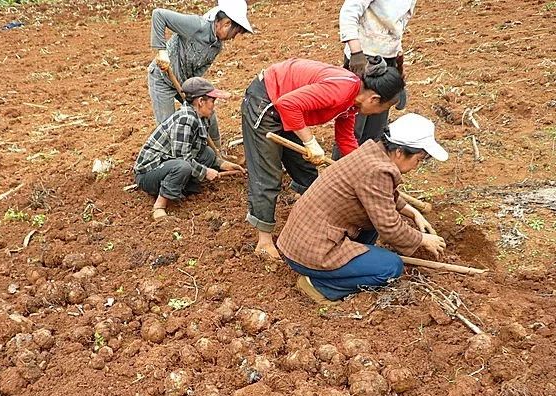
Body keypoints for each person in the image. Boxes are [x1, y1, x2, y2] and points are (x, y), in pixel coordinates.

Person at [241, 57, 404, 260]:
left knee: (306, 170)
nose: (379, 113)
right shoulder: (342, 89)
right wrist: (309, 142)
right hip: (266, 102)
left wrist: (364, 168)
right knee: (267, 175)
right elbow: (287, 104)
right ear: (373, 99)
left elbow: (345, 140)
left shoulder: (352, 102)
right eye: (382, 109)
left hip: (288, 108)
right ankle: (264, 242)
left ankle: (306, 218)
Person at [276, 113, 448, 304]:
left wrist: (413, 212)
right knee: (391, 267)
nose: (418, 165)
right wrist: (422, 239)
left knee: (375, 222)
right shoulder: (378, 171)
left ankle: (354, 262)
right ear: (399, 151)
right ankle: (318, 285)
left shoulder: (371, 153)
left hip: (301, 240)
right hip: (311, 252)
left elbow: (381, 197)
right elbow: (390, 227)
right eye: (419, 158)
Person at [134, 78, 245, 221]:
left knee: (208, 154)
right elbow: (182, 158)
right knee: (183, 167)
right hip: (148, 173)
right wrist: (205, 171)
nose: (214, 106)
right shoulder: (186, 120)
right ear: (200, 102)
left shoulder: (200, 117)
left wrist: (223, 164)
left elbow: (198, 149)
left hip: (167, 163)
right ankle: (159, 206)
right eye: (212, 101)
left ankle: (180, 186)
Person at [148, 0, 254, 147]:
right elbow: (159, 15)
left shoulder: (216, 47)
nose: (233, 38)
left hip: (184, 83)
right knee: (168, 126)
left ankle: (217, 153)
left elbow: (198, 73)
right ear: (226, 23)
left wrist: (193, 92)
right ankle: (173, 161)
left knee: (208, 112)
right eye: (234, 33)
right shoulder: (197, 26)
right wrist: (161, 51)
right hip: (162, 79)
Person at [333, 0, 417, 157]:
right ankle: (343, 168)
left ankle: (366, 167)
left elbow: (401, 21)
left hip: (388, 57)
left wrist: (397, 59)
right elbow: (349, 12)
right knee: (353, 122)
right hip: (363, 57)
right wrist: (356, 52)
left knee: (376, 123)